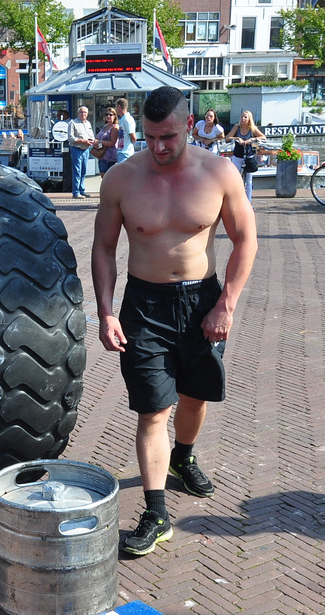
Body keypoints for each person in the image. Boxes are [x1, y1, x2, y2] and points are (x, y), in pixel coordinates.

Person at [91, 86, 257, 557]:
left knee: (194, 396)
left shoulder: (219, 172)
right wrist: (105, 310)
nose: (158, 147)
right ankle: (156, 512)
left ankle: (183, 456)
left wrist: (226, 303)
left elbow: (246, 240)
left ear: (188, 126)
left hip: (201, 300)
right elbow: (103, 247)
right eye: (149, 138)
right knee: (152, 409)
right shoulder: (122, 179)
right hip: (144, 306)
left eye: (167, 137)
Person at [225, 110, 265, 202]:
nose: (243, 119)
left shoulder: (252, 129)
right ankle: (236, 200)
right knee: (236, 178)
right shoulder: (237, 127)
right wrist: (237, 138)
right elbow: (227, 138)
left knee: (249, 181)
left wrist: (251, 139)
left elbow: (263, 137)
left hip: (249, 156)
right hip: (238, 154)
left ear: (249, 119)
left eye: (245, 117)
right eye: (242, 117)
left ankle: (249, 201)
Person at [68, 105, 95, 199]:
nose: (83, 114)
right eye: (81, 112)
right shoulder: (73, 123)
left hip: (86, 150)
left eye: (85, 112)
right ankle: (76, 192)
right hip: (76, 149)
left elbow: (91, 135)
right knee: (77, 171)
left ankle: (82, 190)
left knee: (84, 171)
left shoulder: (88, 123)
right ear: (78, 113)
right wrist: (83, 141)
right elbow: (71, 138)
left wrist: (92, 141)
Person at [95, 107, 119, 177]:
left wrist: (100, 141)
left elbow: (112, 143)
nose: (108, 116)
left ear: (115, 116)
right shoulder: (105, 126)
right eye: (107, 114)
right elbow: (98, 137)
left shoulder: (115, 127)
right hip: (101, 155)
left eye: (110, 115)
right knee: (103, 176)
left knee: (107, 177)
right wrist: (96, 142)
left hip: (109, 157)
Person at [115, 98, 136, 164]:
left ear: (119, 106)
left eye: (116, 107)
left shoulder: (127, 120)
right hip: (121, 152)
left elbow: (133, 137)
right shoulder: (122, 119)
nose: (116, 109)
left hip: (126, 153)